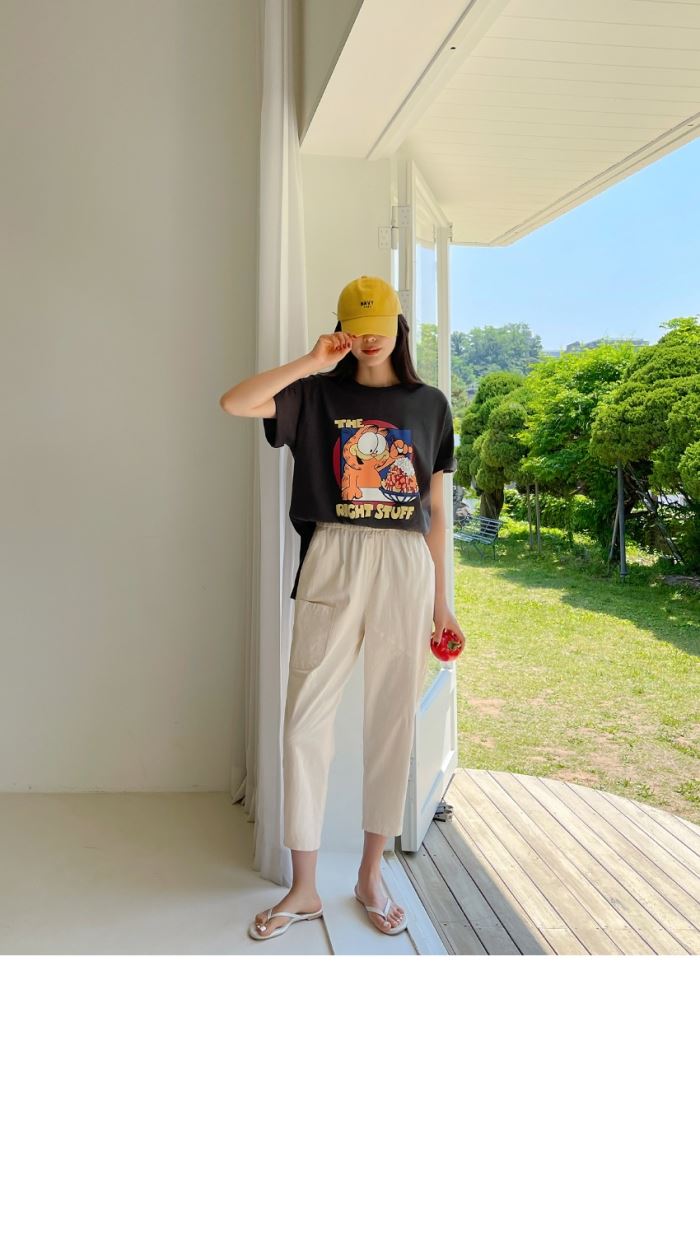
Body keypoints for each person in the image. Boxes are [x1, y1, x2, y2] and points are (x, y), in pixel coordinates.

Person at [220, 275, 465, 942]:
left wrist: (443, 602)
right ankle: (303, 889)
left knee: (392, 720)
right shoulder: (315, 392)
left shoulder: (430, 404)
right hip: (333, 553)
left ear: (398, 326)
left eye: (378, 325)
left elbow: (436, 508)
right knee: (304, 722)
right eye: (356, 327)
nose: (369, 337)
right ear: (342, 330)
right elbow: (235, 402)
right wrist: (311, 360)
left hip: (406, 563)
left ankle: (369, 876)